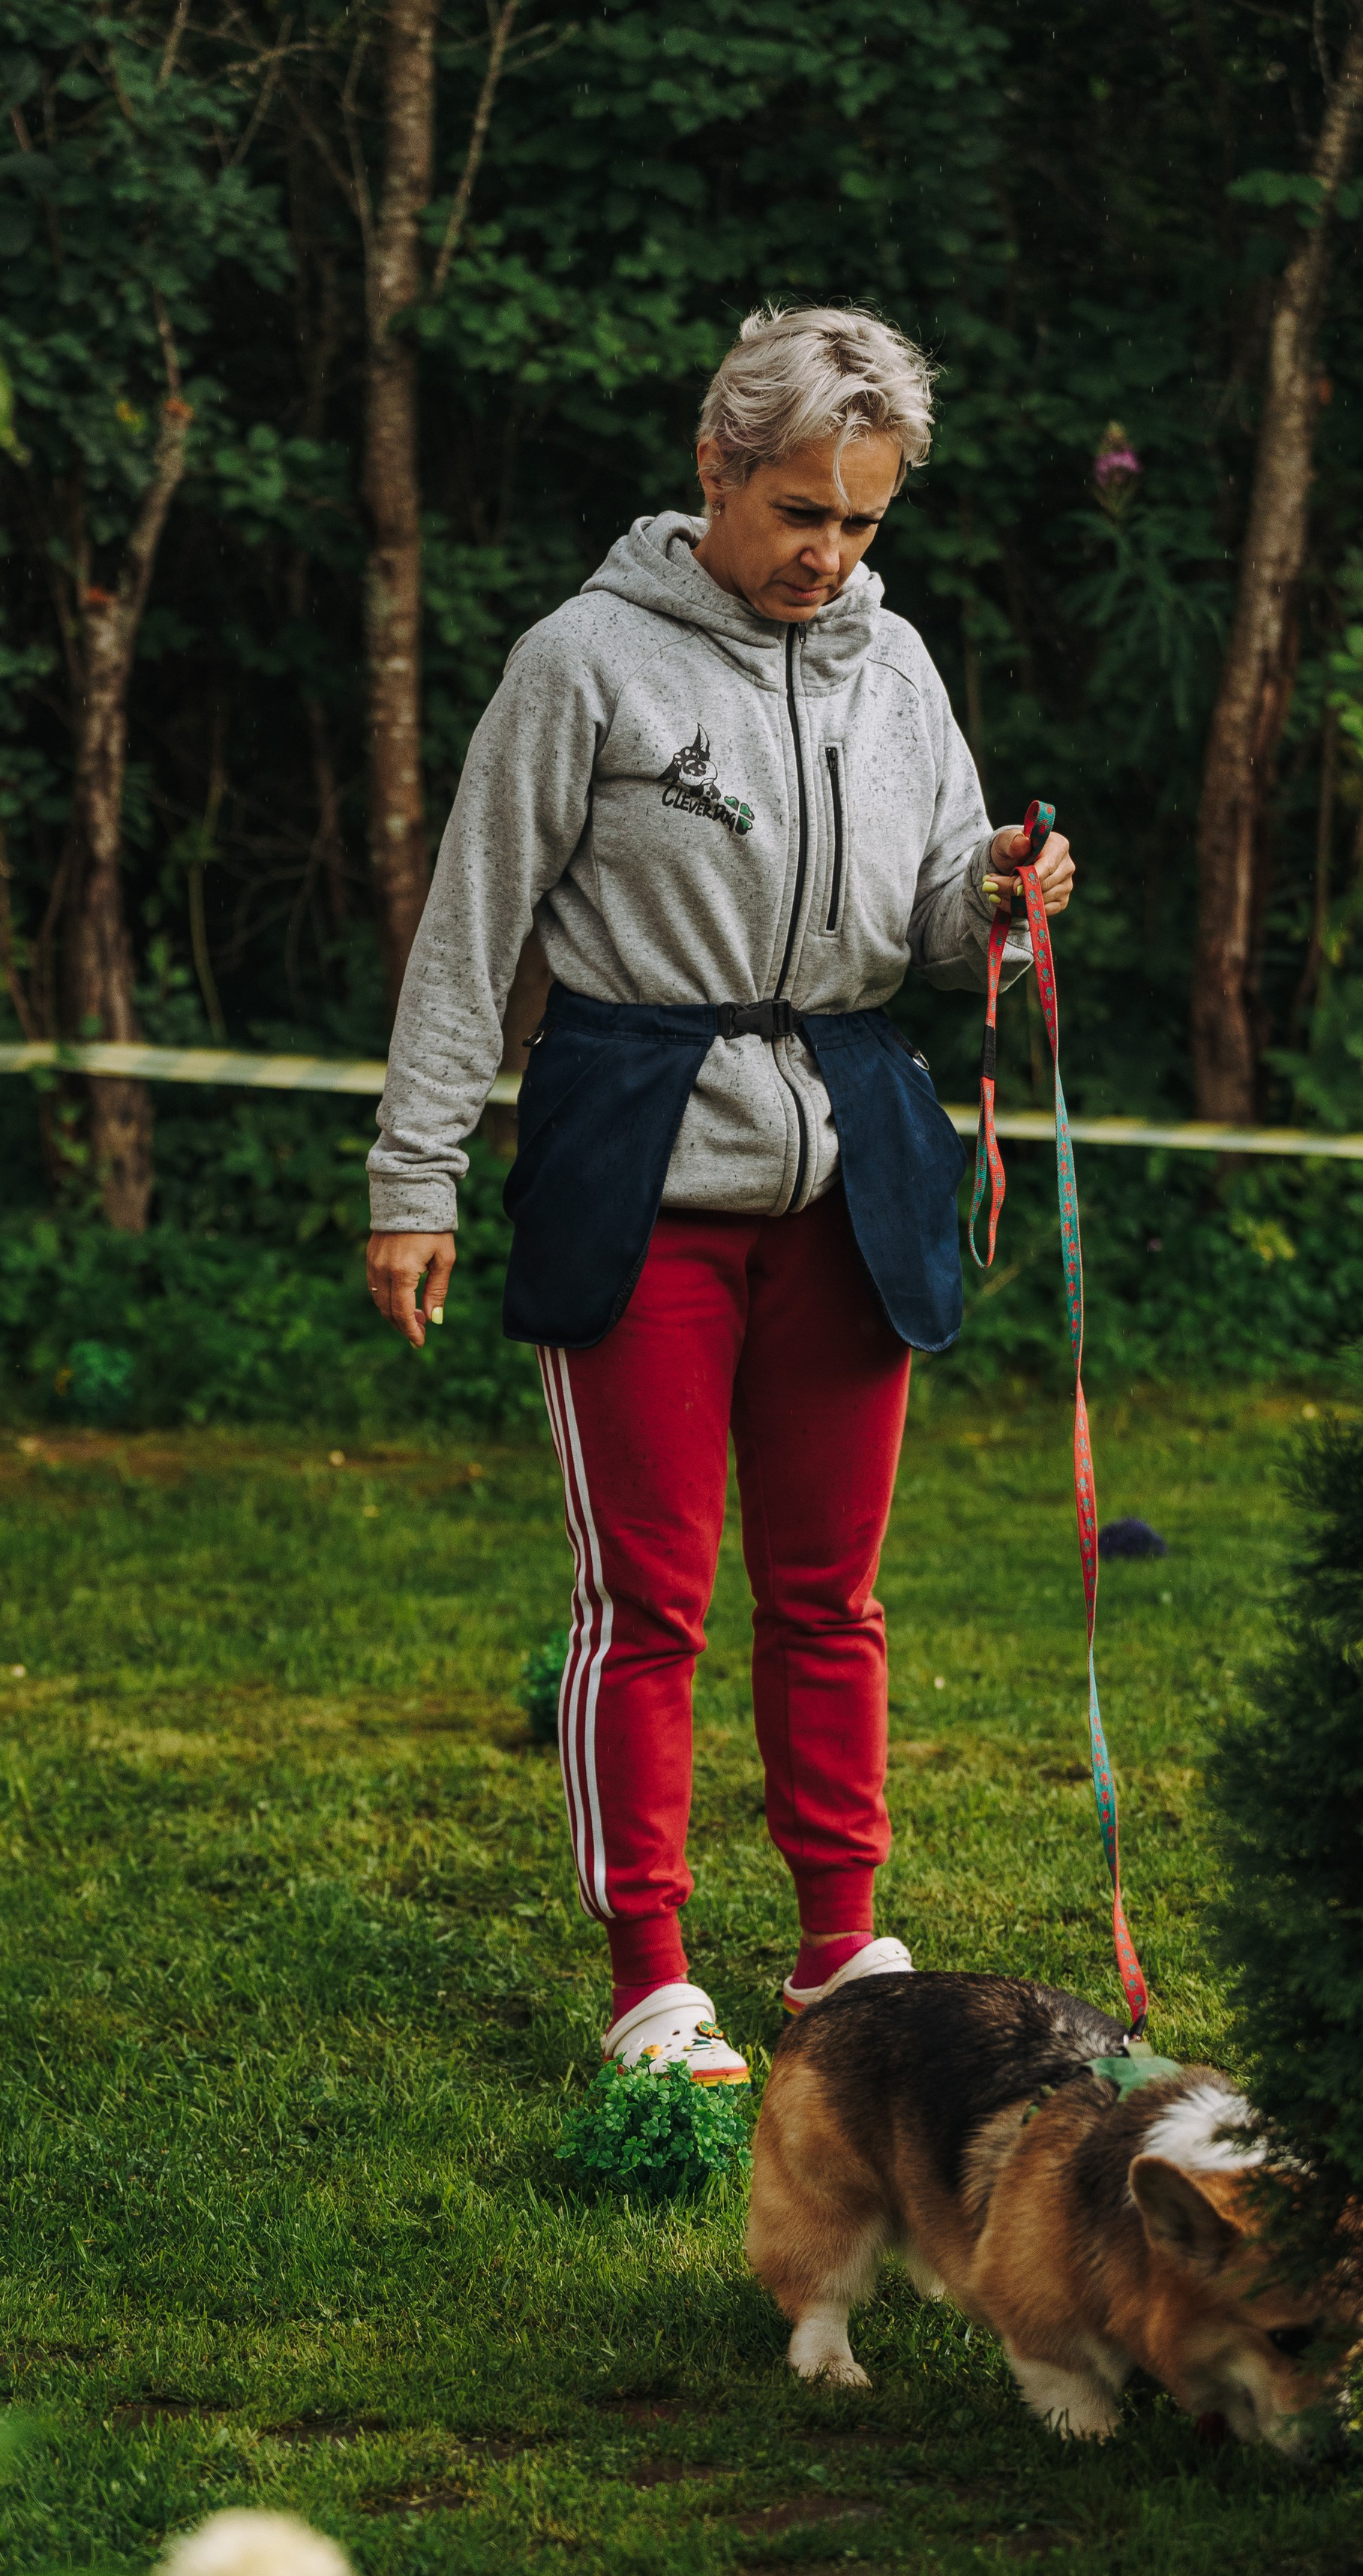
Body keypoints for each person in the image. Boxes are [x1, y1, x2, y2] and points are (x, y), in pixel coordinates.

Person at [363, 305, 1076, 2085]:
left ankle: (844, 1948)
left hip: (848, 1162)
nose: (825, 556)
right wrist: (415, 1173)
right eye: (796, 513)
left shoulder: (894, 670)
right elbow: (473, 927)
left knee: (831, 1591)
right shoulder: (582, 662)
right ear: (713, 469)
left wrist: (998, 893)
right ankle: (651, 1970)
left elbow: (928, 924)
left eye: (861, 522)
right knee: (650, 1597)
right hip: (636, 1159)